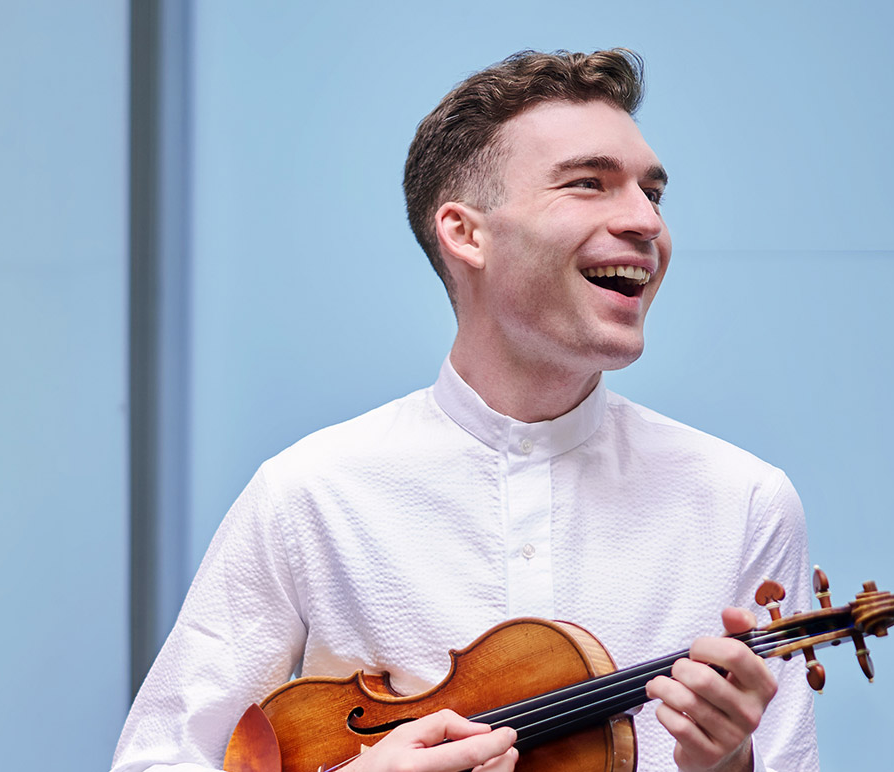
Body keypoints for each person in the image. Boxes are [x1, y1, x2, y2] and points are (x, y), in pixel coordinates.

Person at [112, 49, 818, 772]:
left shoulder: (745, 503)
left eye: (654, 194)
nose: (645, 222)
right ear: (465, 233)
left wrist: (730, 767)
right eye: (588, 184)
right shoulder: (309, 493)